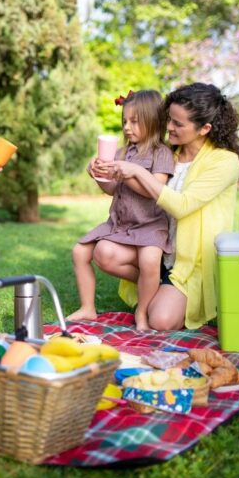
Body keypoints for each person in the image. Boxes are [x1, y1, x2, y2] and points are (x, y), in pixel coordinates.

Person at [99, 82, 239, 330]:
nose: (168, 127)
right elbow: (129, 191)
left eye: (178, 123)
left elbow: (182, 206)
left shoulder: (225, 161)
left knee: (160, 320)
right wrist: (103, 173)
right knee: (104, 253)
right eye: (169, 120)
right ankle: (154, 285)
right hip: (156, 248)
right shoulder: (168, 154)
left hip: (190, 263)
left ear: (204, 128)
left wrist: (136, 171)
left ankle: (162, 296)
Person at [67, 90, 174, 330]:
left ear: (153, 121)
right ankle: (88, 308)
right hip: (120, 225)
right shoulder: (122, 153)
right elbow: (111, 189)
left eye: (135, 121)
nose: (127, 127)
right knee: (79, 252)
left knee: (150, 259)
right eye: (125, 121)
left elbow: (153, 190)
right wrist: (98, 175)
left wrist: (128, 173)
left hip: (150, 225)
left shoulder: (162, 153)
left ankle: (143, 313)